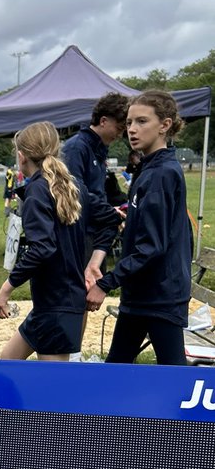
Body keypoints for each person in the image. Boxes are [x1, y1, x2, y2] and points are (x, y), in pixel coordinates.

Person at [0, 121, 119, 361]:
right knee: (8, 360)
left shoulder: (41, 191)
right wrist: (95, 260)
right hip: (49, 304)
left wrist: (6, 288)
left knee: (53, 390)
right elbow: (112, 219)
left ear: (21, 157)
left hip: (58, 308)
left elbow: (42, 248)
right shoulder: (73, 186)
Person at [86, 90, 191, 365]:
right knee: (116, 367)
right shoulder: (149, 168)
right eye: (130, 122)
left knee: (175, 376)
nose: (132, 129)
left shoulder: (162, 173)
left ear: (164, 125)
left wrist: (106, 283)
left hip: (159, 296)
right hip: (142, 293)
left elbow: (151, 246)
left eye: (142, 121)